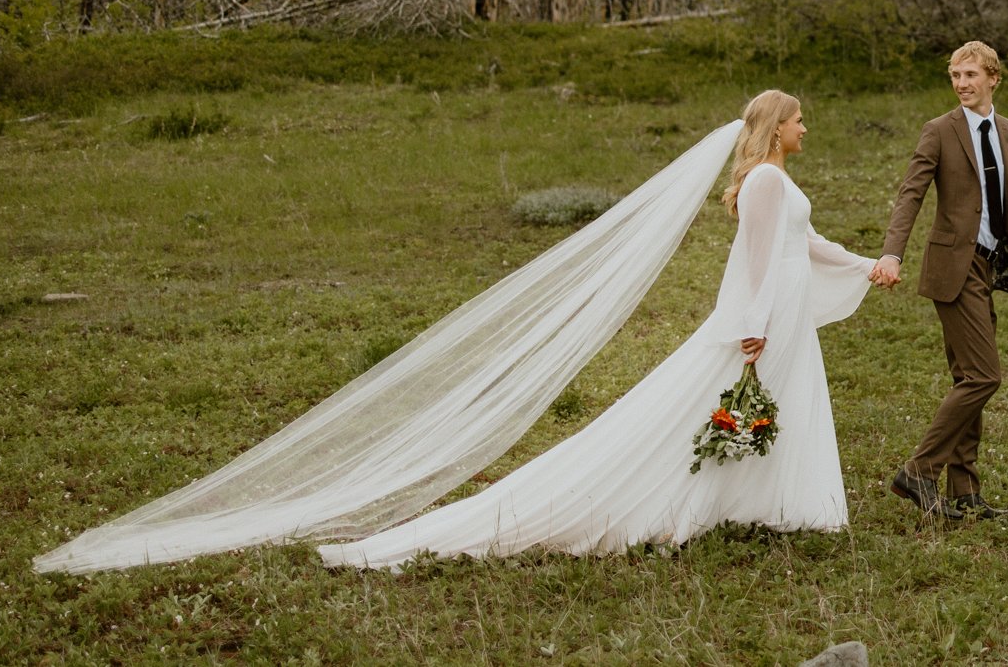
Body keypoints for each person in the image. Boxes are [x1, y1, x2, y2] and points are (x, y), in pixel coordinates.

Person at [316, 90, 876, 567]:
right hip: (769, 316)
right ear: (777, 128)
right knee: (717, 405)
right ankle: (693, 501)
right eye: (798, 120)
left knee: (780, 403)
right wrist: (755, 325)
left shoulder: (776, 181)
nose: (805, 128)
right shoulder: (766, 184)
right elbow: (755, 258)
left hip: (786, 310)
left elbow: (803, 242)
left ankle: (770, 503)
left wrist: (864, 265)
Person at [870, 41, 1008, 519]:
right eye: (955, 75)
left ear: (994, 78)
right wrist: (892, 253)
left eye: (970, 74)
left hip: (991, 264)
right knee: (983, 376)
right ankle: (918, 471)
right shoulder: (939, 131)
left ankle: (966, 492)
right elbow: (910, 194)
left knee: (967, 376)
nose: (961, 83)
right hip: (952, 269)